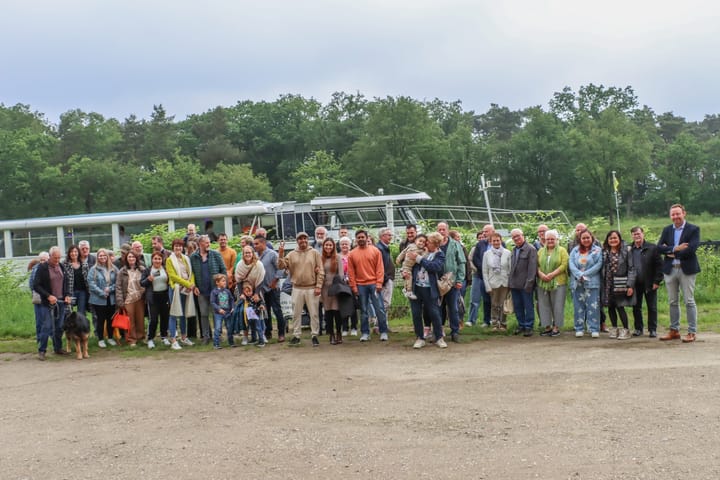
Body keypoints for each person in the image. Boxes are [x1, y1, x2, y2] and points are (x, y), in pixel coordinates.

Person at [657, 204, 701, 343]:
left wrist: (670, 252)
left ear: (684, 213)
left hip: (686, 269)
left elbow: (691, 248)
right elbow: (659, 248)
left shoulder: (693, 229)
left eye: (678, 214)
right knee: (672, 301)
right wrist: (676, 248)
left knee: (689, 301)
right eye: (673, 214)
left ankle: (691, 332)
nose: (675, 217)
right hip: (670, 270)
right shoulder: (667, 230)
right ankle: (674, 330)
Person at [278, 232, 324, 347]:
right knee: (296, 313)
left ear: (307, 239)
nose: (302, 241)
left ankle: (314, 335)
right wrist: (281, 254)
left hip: (312, 287)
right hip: (297, 288)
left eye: (304, 238)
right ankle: (296, 335)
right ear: (297, 241)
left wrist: (318, 286)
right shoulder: (292, 254)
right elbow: (281, 266)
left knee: (314, 313)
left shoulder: (314, 253)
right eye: (300, 239)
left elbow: (321, 271)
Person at [406, 232, 447, 349]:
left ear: (435, 244)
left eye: (428, 241)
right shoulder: (421, 251)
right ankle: (420, 338)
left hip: (430, 289)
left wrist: (418, 259)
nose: (426, 243)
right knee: (416, 313)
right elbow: (409, 264)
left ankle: (439, 337)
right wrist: (405, 272)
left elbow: (434, 267)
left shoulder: (440, 255)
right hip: (416, 287)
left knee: (434, 313)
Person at [348, 229, 389, 342]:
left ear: (367, 238)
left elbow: (380, 269)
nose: (361, 239)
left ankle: (383, 331)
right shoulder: (352, 254)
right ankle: (365, 332)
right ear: (356, 239)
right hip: (360, 285)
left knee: (379, 309)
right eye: (358, 237)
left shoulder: (376, 251)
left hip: (374, 284)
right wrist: (354, 287)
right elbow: (351, 272)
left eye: (362, 237)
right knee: (364, 311)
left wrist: (379, 283)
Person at [33, 246, 71, 360]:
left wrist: (67, 295)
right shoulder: (42, 268)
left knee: (59, 326)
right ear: (50, 257)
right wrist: (48, 296)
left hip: (61, 302)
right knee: (47, 326)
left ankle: (58, 348)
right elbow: (36, 285)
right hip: (47, 303)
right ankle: (42, 350)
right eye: (55, 258)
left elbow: (66, 282)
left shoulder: (61, 266)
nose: (57, 260)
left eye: (59, 258)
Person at [190, 235, 227, 345]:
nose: (208, 244)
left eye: (209, 242)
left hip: (215, 290)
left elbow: (223, 269)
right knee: (204, 314)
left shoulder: (215, 255)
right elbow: (191, 273)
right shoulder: (193, 257)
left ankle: (217, 335)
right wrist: (194, 286)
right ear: (200, 243)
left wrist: (222, 284)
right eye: (206, 243)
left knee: (216, 313)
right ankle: (206, 336)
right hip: (201, 291)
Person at [601, 230, 636, 340]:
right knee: (611, 306)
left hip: (621, 282)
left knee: (620, 306)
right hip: (608, 283)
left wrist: (630, 285)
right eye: (610, 238)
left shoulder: (626, 251)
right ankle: (614, 328)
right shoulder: (605, 251)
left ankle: (626, 330)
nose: (613, 240)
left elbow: (632, 268)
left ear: (619, 239)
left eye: (615, 238)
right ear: (607, 240)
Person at [569, 229, 603, 338]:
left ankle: (593, 328)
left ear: (592, 238)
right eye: (583, 238)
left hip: (592, 282)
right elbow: (571, 264)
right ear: (580, 239)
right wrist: (579, 275)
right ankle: (579, 328)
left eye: (588, 237)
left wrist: (585, 274)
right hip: (577, 282)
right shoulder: (575, 250)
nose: (586, 240)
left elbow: (598, 265)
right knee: (578, 306)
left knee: (593, 306)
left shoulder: (598, 250)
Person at [629, 226, 663, 337]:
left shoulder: (652, 248)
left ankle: (652, 329)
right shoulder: (629, 249)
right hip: (635, 283)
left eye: (638, 233)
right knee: (636, 307)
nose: (636, 236)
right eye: (634, 234)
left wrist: (657, 281)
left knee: (652, 307)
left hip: (649, 282)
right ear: (632, 236)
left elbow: (660, 266)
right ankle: (638, 329)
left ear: (643, 234)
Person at [437, 222, 467, 342]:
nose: (441, 231)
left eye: (443, 229)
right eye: (439, 229)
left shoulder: (455, 244)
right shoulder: (433, 244)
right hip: (437, 282)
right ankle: (438, 332)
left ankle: (455, 331)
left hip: (452, 281)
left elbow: (461, 262)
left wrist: (459, 279)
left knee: (453, 307)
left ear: (448, 231)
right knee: (438, 308)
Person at [536, 230, 568, 337]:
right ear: (544, 240)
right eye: (547, 239)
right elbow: (536, 265)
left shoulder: (562, 250)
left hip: (558, 282)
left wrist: (552, 274)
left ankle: (556, 327)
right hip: (543, 282)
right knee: (544, 305)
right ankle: (547, 327)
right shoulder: (540, 251)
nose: (550, 241)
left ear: (556, 240)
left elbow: (564, 265)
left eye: (552, 239)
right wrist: (540, 274)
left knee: (557, 305)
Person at [253, 235, 286, 342]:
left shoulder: (272, 254)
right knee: (264, 311)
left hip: (273, 288)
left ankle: (281, 334)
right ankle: (268, 333)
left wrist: (275, 281)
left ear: (263, 243)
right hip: (261, 289)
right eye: (254, 244)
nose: (255, 246)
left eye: (257, 243)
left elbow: (280, 269)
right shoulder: (255, 256)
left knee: (277, 311)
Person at [166, 239, 196, 350]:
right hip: (176, 289)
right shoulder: (169, 260)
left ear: (182, 248)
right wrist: (187, 284)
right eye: (176, 246)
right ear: (173, 247)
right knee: (174, 313)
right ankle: (173, 340)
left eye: (180, 246)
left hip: (186, 289)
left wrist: (191, 284)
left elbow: (191, 272)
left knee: (183, 313)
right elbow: (173, 276)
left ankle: (184, 337)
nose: (178, 248)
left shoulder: (186, 258)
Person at [508, 229, 538, 336]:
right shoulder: (513, 250)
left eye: (518, 236)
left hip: (526, 284)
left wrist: (529, 283)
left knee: (528, 306)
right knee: (518, 306)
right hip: (514, 284)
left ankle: (529, 326)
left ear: (523, 236)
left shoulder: (531, 249)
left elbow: (532, 268)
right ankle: (521, 325)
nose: (516, 238)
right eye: (513, 237)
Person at [234, 245, 266, 344]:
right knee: (245, 314)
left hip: (256, 289)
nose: (247, 254)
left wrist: (256, 294)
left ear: (253, 253)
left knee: (259, 313)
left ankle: (261, 335)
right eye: (245, 253)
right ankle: (245, 336)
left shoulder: (259, 265)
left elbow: (261, 280)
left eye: (249, 252)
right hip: (244, 291)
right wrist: (241, 294)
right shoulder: (240, 265)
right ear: (243, 254)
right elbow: (238, 280)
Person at [88, 249, 118, 348]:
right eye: (100, 256)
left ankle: (110, 338)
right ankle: (100, 339)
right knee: (100, 320)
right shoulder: (93, 269)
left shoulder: (113, 268)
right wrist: (101, 293)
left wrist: (110, 289)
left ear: (107, 257)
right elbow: (91, 283)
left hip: (111, 298)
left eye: (104, 256)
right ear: (97, 257)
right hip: (98, 299)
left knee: (110, 320)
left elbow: (118, 282)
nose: (102, 257)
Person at [115, 251, 146, 347]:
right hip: (128, 298)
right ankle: (131, 339)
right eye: (129, 257)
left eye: (133, 257)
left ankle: (140, 337)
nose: (131, 258)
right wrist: (120, 301)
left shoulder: (142, 269)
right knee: (130, 320)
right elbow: (118, 286)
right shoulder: (122, 271)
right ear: (126, 259)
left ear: (136, 258)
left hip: (140, 298)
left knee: (140, 319)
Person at [482, 233, 511, 331]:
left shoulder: (507, 253)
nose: (496, 242)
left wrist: (510, 284)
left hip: (504, 282)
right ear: (490, 242)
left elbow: (510, 269)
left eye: (498, 240)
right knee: (494, 304)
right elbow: (485, 271)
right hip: (492, 282)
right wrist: (487, 286)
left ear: (501, 240)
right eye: (494, 241)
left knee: (503, 304)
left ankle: (503, 324)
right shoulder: (487, 254)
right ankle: (494, 323)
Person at [140, 251, 170, 349]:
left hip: (164, 296)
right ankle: (150, 339)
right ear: (152, 260)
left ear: (162, 260)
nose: (157, 260)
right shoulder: (148, 270)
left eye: (159, 259)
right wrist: (148, 279)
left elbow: (170, 281)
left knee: (165, 318)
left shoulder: (165, 269)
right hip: (153, 297)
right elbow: (142, 283)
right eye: (155, 258)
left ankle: (164, 336)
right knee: (153, 319)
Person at [467, 225, 494, 327]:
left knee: (491, 300)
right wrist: (483, 269)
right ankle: (472, 320)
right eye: (483, 232)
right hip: (480, 275)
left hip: (494, 276)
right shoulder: (480, 244)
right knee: (475, 298)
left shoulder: (499, 243)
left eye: (486, 231)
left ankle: (492, 320)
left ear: (492, 231)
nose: (484, 234)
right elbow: (475, 259)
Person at [320, 238, 344, 344]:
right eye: (326, 245)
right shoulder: (320, 258)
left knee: (336, 311)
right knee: (328, 312)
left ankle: (339, 333)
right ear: (323, 246)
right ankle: (331, 334)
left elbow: (341, 274)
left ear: (333, 246)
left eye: (330, 245)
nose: (328, 247)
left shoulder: (338, 257)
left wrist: (336, 283)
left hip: (335, 288)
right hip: (324, 289)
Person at [62, 245, 90, 321]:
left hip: (82, 292)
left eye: (75, 251)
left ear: (78, 253)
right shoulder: (64, 264)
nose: (73, 253)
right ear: (69, 253)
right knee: (68, 312)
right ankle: (70, 330)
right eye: (71, 252)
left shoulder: (84, 264)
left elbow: (88, 279)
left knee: (81, 313)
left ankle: (81, 330)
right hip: (70, 292)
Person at [338, 236, 358, 336]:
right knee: (343, 306)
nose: (344, 246)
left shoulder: (354, 255)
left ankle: (354, 327)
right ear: (339, 246)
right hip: (342, 285)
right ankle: (344, 328)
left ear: (350, 245)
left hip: (352, 283)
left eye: (346, 244)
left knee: (353, 306)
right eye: (342, 244)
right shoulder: (337, 256)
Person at [237, 281, 267, 347]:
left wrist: (262, 305)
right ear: (243, 291)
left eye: (249, 291)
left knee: (258, 327)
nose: (248, 293)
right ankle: (254, 339)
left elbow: (261, 302)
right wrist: (243, 299)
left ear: (252, 290)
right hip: (250, 314)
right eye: (246, 291)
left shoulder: (255, 297)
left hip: (256, 314)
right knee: (252, 327)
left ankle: (261, 341)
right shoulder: (244, 298)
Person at [396, 234, 427, 299]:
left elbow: (423, 258)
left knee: (407, 278)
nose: (421, 243)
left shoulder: (421, 251)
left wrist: (426, 250)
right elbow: (403, 252)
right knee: (409, 278)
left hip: (409, 267)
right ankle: (409, 291)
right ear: (415, 241)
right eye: (420, 241)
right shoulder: (410, 246)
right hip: (405, 265)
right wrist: (398, 259)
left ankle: (405, 289)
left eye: (423, 242)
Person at [28, 251, 49, 340]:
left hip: (49, 297)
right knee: (39, 319)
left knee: (49, 319)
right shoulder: (35, 269)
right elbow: (31, 284)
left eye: (44, 260)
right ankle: (39, 338)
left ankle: (51, 337)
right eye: (41, 260)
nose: (42, 261)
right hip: (39, 298)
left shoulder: (51, 268)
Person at [210, 273, 235, 349]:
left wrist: (232, 307)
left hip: (227, 313)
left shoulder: (227, 291)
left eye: (225, 281)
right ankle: (216, 344)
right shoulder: (214, 292)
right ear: (217, 282)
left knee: (229, 327)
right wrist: (219, 309)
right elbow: (212, 302)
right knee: (218, 328)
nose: (225, 282)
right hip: (218, 314)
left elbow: (231, 299)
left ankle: (231, 342)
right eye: (223, 281)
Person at [376, 227, 395, 323]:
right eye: (389, 235)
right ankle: (381, 324)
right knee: (385, 303)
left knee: (384, 302)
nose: (391, 237)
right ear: (382, 236)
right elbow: (379, 266)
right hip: (385, 280)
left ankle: (382, 324)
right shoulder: (380, 248)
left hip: (386, 278)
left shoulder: (384, 247)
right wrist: (386, 278)